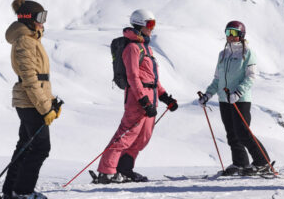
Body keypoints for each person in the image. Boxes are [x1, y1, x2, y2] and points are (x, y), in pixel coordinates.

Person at [0, 0, 62, 199]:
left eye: (45, 17)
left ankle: (12, 192)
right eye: (40, 18)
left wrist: (50, 103)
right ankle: (23, 193)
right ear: (29, 19)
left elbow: (39, 79)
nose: (43, 22)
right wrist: (44, 107)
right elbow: (30, 79)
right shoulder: (24, 41)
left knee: (26, 145)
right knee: (40, 148)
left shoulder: (30, 39)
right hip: (30, 102)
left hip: (32, 101)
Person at [95, 9, 178, 183]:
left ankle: (125, 169)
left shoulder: (145, 48)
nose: (152, 28)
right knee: (126, 135)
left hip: (151, 97)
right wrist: (143, 99)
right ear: (140, 25)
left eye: (153, 24)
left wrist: (165, 98)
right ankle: (106, 172)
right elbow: (133, 76)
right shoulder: (132, 48)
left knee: (143, 138)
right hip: (137, 98)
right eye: (150, 24)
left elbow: (153, 79)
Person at [198, 21, 274, 176]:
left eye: (233, 33)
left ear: (241, 35)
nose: (230, 37)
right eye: (227, 33)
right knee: (231, 133)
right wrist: (207, 95)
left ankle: (263, 162)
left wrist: (238, 93)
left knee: (243, 132)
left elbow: (251, 76)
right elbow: (217, 80)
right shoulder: (223, 54)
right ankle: (240, 163)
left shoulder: (247, 53)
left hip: (241, 99)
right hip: (224, 100)